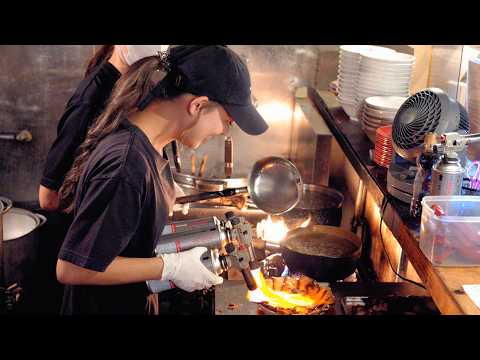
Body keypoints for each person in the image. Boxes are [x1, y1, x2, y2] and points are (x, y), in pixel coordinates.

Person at [55, 45, 269, 314]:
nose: (226, 132)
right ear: (198, 105)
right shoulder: (127, 165)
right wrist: (169, 267)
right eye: (228, 121)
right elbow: (73, 268)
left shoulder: (153, 146)